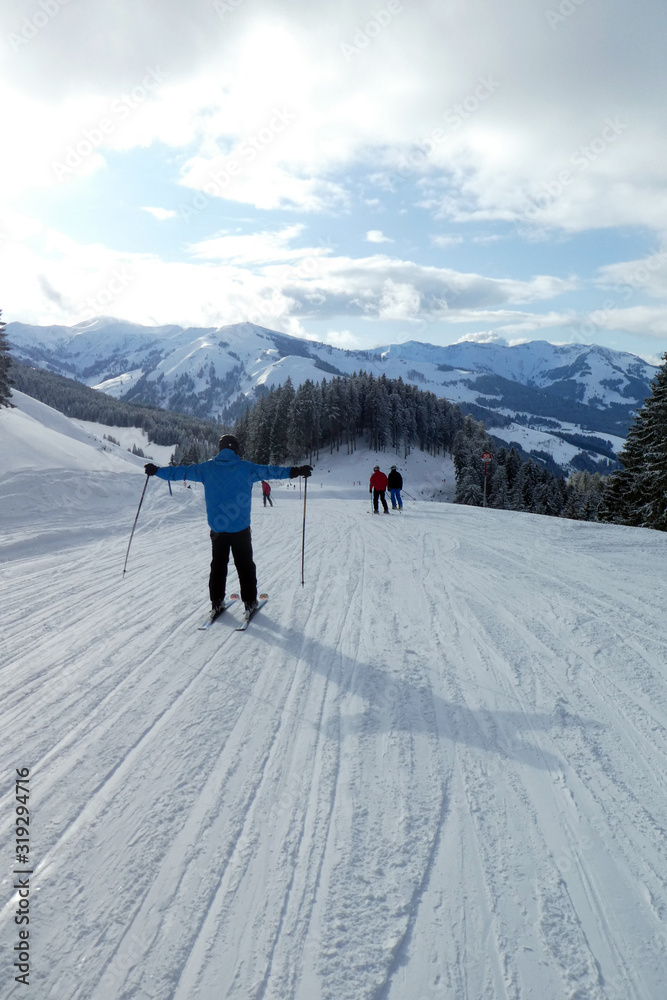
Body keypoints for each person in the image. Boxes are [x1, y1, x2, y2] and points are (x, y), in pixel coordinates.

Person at [144, 435, 311, 620]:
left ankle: (216, 602)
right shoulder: (247, 468)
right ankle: (249, 602)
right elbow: (272, 471)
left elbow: (180, 472)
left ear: (220, 449)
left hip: (218, 528)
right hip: (240, 528)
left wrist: (156, 471)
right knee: (245, 565)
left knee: (218, 565)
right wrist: (296, 471)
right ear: (236, 450)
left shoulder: (205, 468)